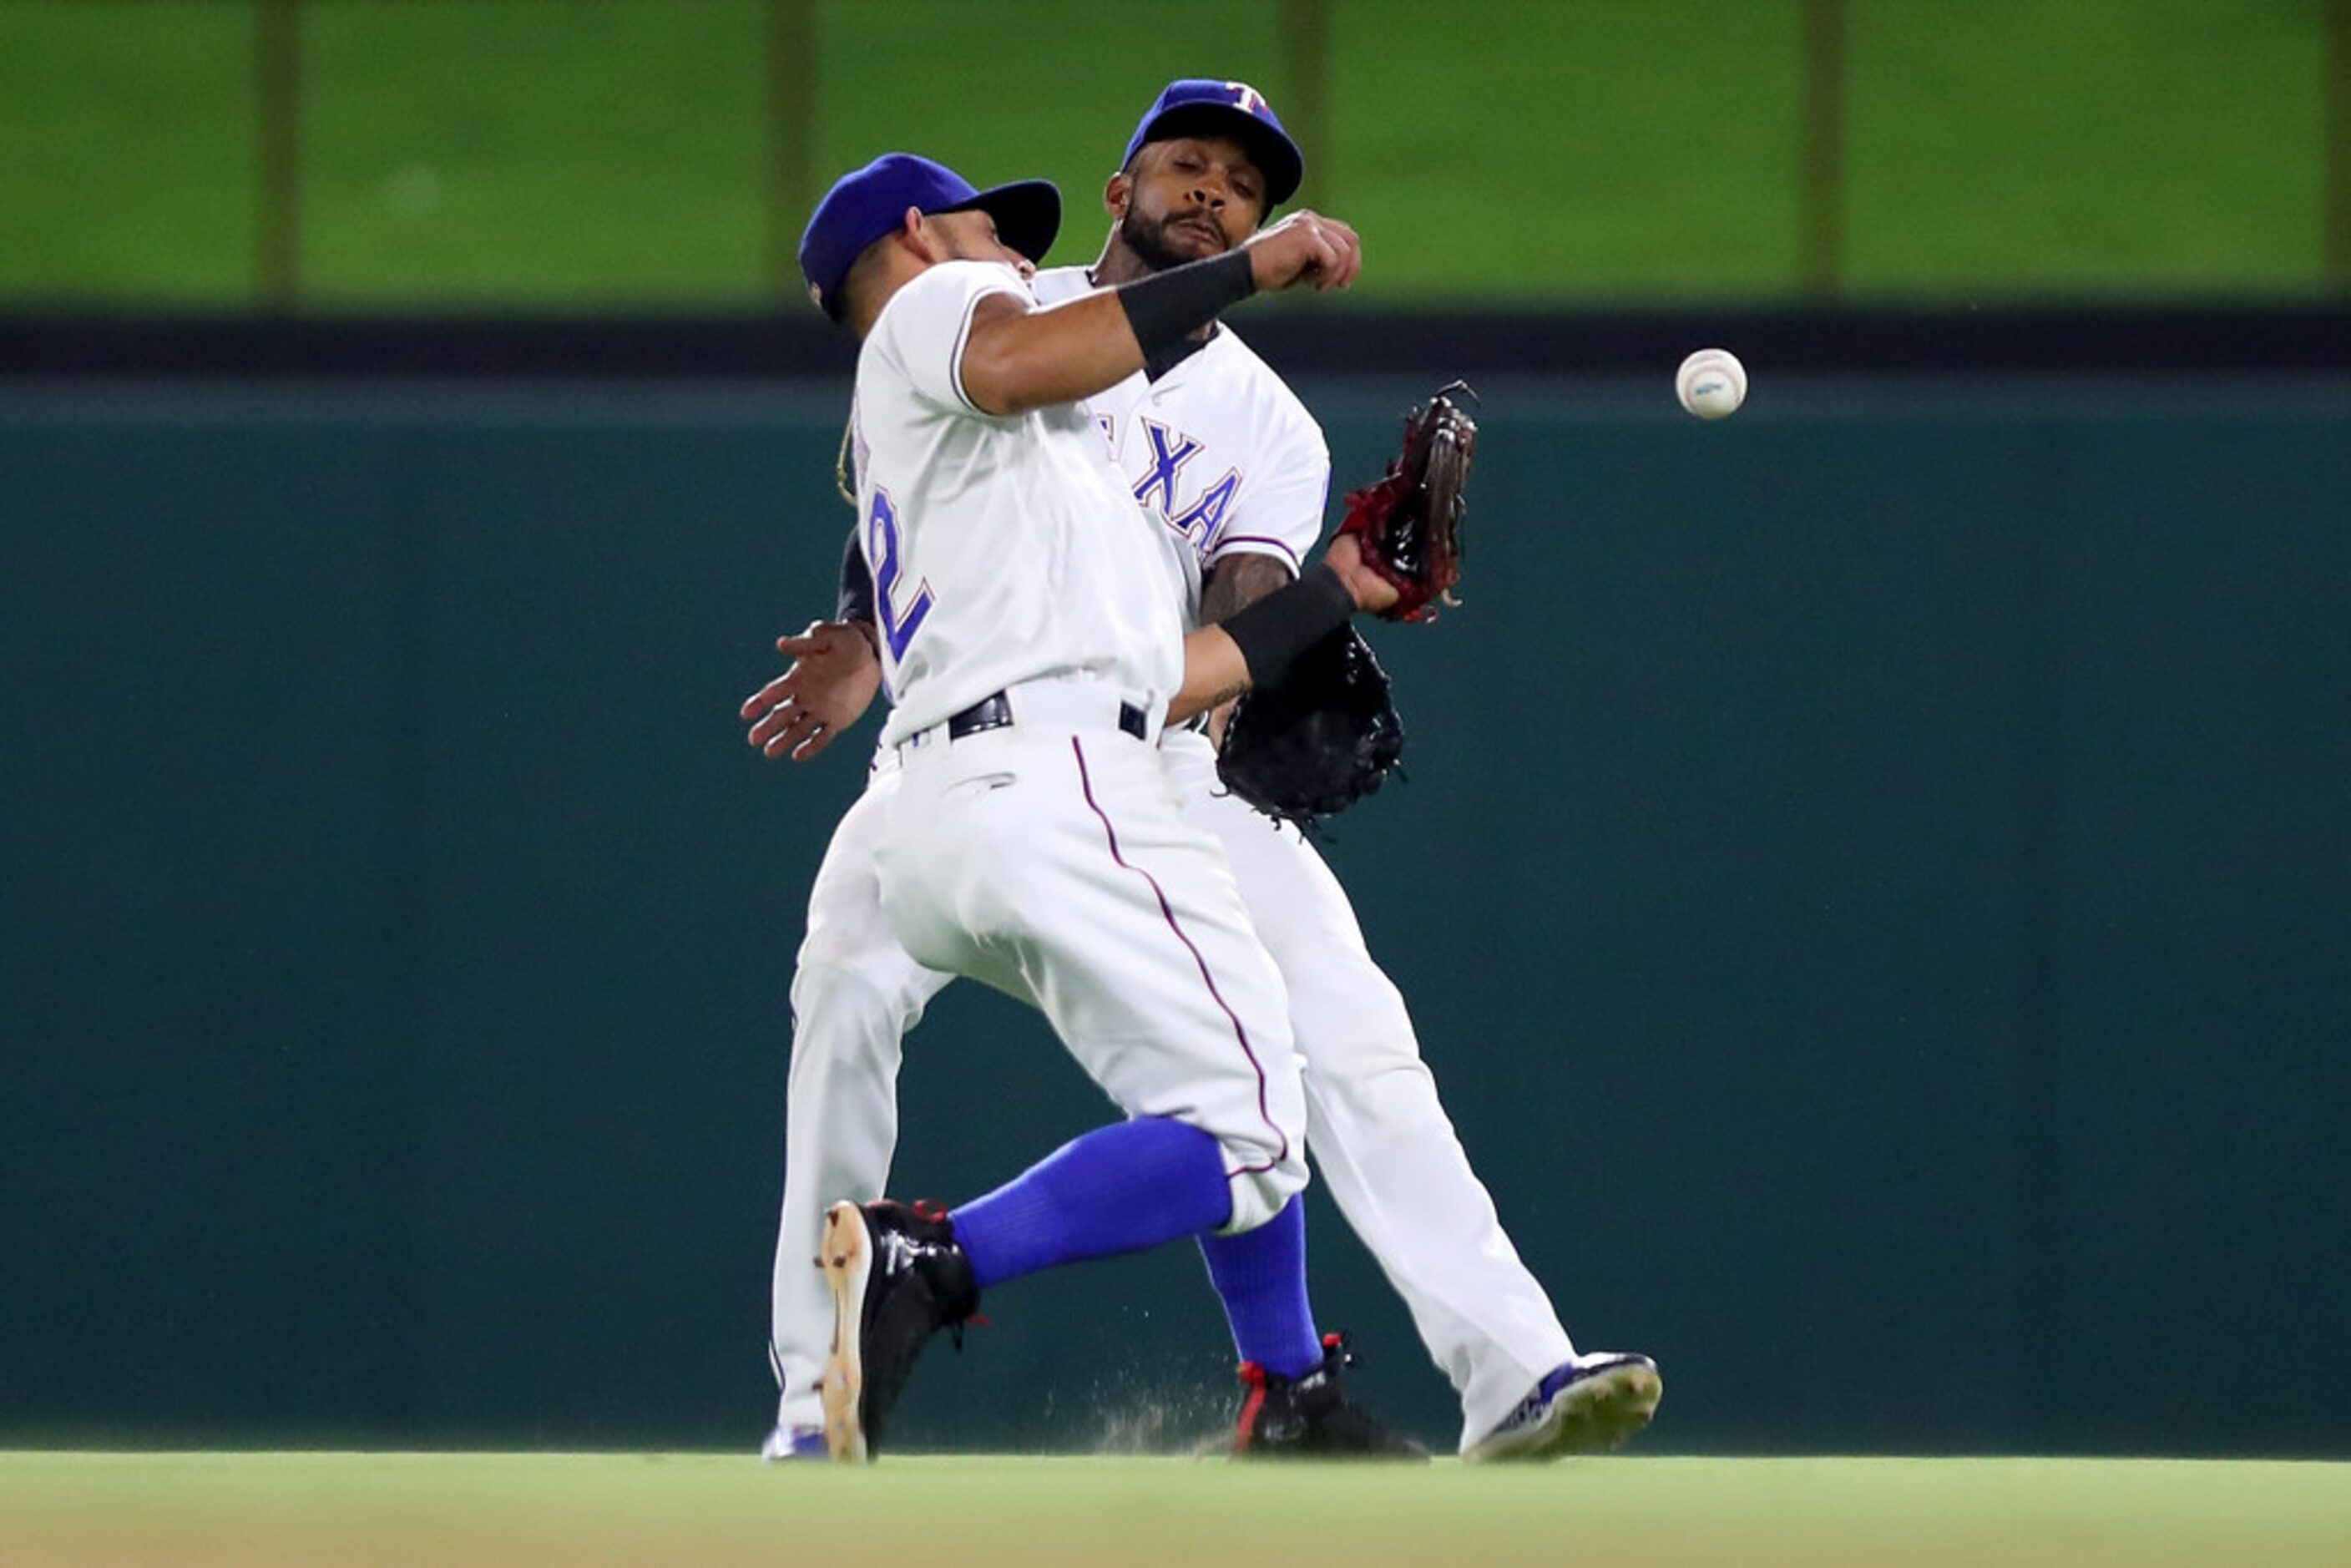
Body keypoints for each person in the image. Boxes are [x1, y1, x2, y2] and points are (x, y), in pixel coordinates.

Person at [754, 82, 1662, 1464]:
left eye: (1242, 181)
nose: (1214, 189)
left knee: (1336, 1037)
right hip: (978, 741)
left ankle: (1496, 1369)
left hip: (1153, 752)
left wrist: (1330, 596)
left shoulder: (1267, 428)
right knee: (843, 996)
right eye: (1186, 161)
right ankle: (815, 1393)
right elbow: (942, 455)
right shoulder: (1003, 297)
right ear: (1118, 191)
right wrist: (867, 637)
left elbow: (1204, 651)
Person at [780, 143, 1423, 1464]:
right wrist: (1255, 263)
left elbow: (1181, 672)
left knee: (1231, 1089)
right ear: (915, 232)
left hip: (984, 804)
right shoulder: (933, 306)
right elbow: (1021, 353)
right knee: (1251, 1134)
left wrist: (1341, 587)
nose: (1019, 251)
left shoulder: (1042, 476)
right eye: (990, 229)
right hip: (1054, 788)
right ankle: (933, 1258)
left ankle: (1289, 1392)